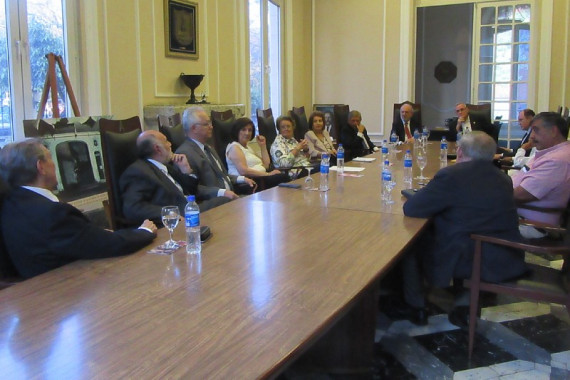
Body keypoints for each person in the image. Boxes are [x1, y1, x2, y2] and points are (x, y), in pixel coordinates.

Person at [399, 131, 526, 327]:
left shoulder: (452, 175)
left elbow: (412, 208)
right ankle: (463, 296)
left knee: (410, 242)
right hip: (505, 254)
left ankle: (415, 305)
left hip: (471, 255)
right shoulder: (503, 178)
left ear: (459, 152)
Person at [0, 138, 157, 279]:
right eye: (50, 158)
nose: (54, 164)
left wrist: (94, 234)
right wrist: (144, 231)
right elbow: (108, 245)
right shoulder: (52, 213)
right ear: (41, 167)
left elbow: (81, 238)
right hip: (67, 289)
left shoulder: (10, 203)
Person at [176, 106, 257, 204]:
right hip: (214, 203)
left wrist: (241, 179)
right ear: (194, 128)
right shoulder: (184, 154)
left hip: (232, 198)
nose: (211, 126)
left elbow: (223, 176)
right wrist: (222, 192)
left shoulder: (209, 148)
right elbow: (193, 188)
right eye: (206, 124)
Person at [120, 130, 200, 224]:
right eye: (166, 141)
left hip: (191, 211)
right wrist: (170, 214)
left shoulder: (165, 166)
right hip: (177, 222)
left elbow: (192, 190)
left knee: (220, 201)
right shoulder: (138, 172)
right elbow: (133, 208)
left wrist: (186, 169)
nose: (170, 144)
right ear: (158, 149)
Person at [511, 112, 570, 238]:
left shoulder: (557, 160)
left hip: (532, 225)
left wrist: (491, 193)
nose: (531, 137)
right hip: (517, 217)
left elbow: (521, 195)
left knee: (469, 222)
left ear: (554, 131)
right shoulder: (547, 153)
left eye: (536, 131)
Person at [225, 117, 288, 189]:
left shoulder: (248, 147)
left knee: (282, 177)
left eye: (250, 130)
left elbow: (266, 164)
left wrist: (263, 146)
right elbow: (243, 171)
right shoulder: (234, 147)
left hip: (261, 178)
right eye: (243, 130)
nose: (247, 133)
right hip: (249, 182)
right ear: (237, 131)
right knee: (283, 178)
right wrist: (268, 174)